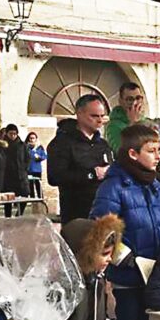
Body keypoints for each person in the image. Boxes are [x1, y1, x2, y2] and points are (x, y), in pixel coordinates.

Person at [90, 124, 160, 320]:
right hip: (128, 276)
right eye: (151, 151)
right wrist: (126, 258)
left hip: (157, 273)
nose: (158, 156)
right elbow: (101, 228)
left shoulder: (157, 185)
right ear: (133, 154)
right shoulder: (113, 186)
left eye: (159, 150)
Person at [61, 215, 124, 320]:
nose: (109, 259)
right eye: (105, 254)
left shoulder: (97, 281)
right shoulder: (65, 288)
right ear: (85, 254)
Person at [48, 95, 114, 224]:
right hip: (76, 214)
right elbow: (54, 177)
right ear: (79, 114)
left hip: (104, 213)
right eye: (94, 116)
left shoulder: (103, 145)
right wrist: (91, 174)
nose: (100, 120)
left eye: (102, 116)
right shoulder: (62, 143)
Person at [105, 81, 145, 152]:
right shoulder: (113, 126)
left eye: (138, 98)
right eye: (130, 99)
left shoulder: (146, 121)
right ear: (121, 101)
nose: (135, 103)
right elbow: (122, 151)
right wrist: (133, 123)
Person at [2, 124, 30, 197]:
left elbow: (27, 158)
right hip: (7, 176)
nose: (13, 136)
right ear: (7, 133)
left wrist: (25, 168)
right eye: (11, 134)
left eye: (15, 134)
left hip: (21, 175)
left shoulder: (22, 145)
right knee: (8, 199)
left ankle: (20, 209)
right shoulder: (2, 145)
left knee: (24, 195)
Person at [25, 131, 47, 198]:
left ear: (36, 139)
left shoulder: (39, 147)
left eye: (33, 138)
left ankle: (41, 198)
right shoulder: (26, 147)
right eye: (30, 138)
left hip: (37, 170)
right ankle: (32, 198)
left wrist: (39, 157)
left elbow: (44, 156)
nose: (32, 140)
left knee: (38, 185)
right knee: (30, 186)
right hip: (29, 169)